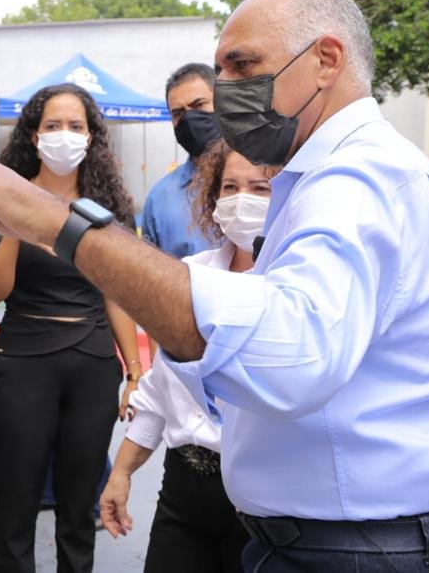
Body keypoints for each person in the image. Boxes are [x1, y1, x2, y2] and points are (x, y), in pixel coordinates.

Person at [0, 0, 429, 571]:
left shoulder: (362, 180)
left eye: (244, 66)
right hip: (333, 541)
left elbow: (287, 356)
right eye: (222, 74)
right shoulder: (321, 179)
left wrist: (52, 219)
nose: (227, 93)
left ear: (326, 59)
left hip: (370, 549)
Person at [0, 83, 142, 573]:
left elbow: (117, 293)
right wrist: (13, 220)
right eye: (52, 125)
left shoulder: (107, 206)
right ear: (33, 133)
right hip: (22, 361)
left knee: (77, 512)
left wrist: (133, 371)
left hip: (92, 365)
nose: (64, 136)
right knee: (16, 506)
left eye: (75, 126)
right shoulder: (1, 197)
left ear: (91, 138)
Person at [101, 140, 277, 572]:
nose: (241, 201)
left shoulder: (293, 288)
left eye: (260, 189)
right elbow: (162, 390)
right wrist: (121, 473)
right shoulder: (192, 277)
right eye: (230, 187)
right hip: (182, 493)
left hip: (263, 502)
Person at [140, 63, 221, 259]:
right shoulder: (160, 199)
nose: (189, 119)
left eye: (198, 105)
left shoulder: (267, 179)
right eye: (178, 113)